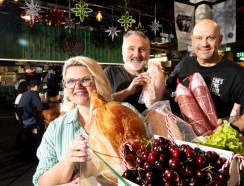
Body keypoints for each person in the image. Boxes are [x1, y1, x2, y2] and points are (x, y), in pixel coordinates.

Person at [167, 19, 244, 133]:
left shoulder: (236, 72)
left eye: (210, 38)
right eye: (199, 38)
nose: (204, 44)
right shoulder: (184, 64)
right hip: (183, 137)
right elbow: (169, 90)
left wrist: (230, 130)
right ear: (192, 40)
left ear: (220, 40)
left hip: (215, 142)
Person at [32, 56, 114, 186]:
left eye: (86, 79)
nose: (78, 86)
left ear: (98, 81)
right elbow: (40, 181)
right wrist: (67, 161)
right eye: (70, 81)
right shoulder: (56, 128)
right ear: (65, 85)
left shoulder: (122, 113)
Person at [104, 30, 153, 113]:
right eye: (131, 49)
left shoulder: (153, 76)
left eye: (142, 49)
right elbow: (100, 103)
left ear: (149, 53)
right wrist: (127, 92)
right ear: (123, 52)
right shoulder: (110, 73)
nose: (137, 54)